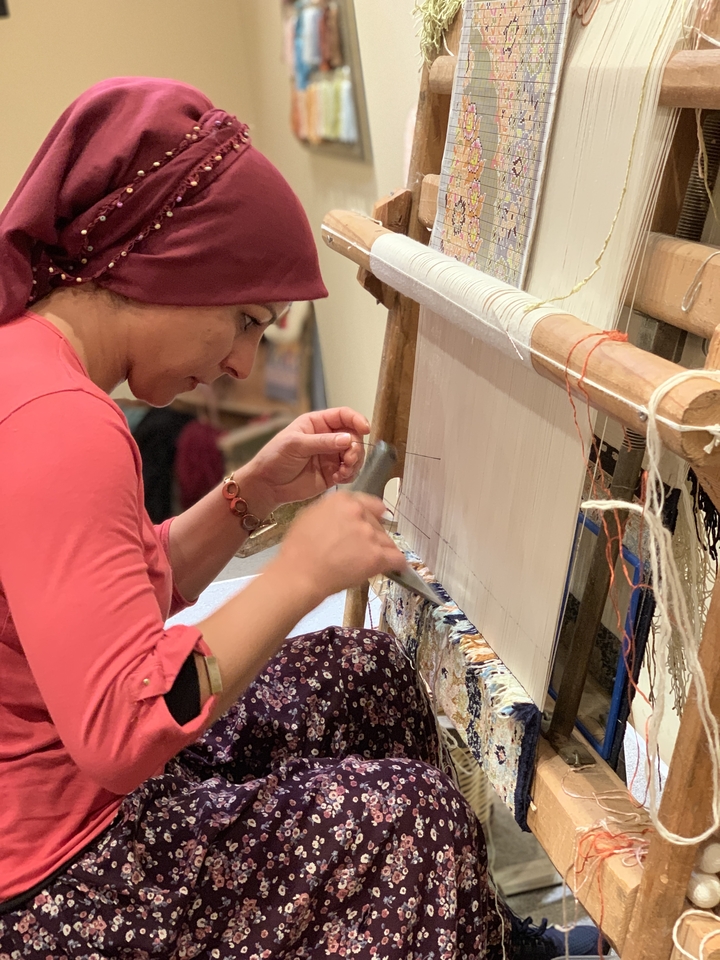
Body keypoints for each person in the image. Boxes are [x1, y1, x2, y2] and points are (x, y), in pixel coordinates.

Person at [0, 78, 602, 959]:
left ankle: (483, 941)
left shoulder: (30, 370)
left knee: (367, 673)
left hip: (73, 815)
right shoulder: (61, 424)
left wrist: (250, 496)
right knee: (412, 827)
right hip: (60, 884)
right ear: (172, 263)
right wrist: (296, 575)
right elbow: (124, 729)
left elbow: (104, 601)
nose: (244, 364)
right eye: (247, 321)